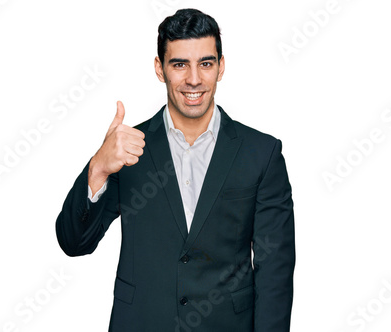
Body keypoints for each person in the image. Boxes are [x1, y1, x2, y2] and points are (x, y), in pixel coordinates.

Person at [55, 8, 295, 331]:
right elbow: (74, 243)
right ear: (160, 68)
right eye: (179, 64)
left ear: (221, 67)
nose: (193, 79)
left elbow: (275, 273)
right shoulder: (128, 150)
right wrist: (98, 167)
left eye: (205, 63)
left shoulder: (262, 154)